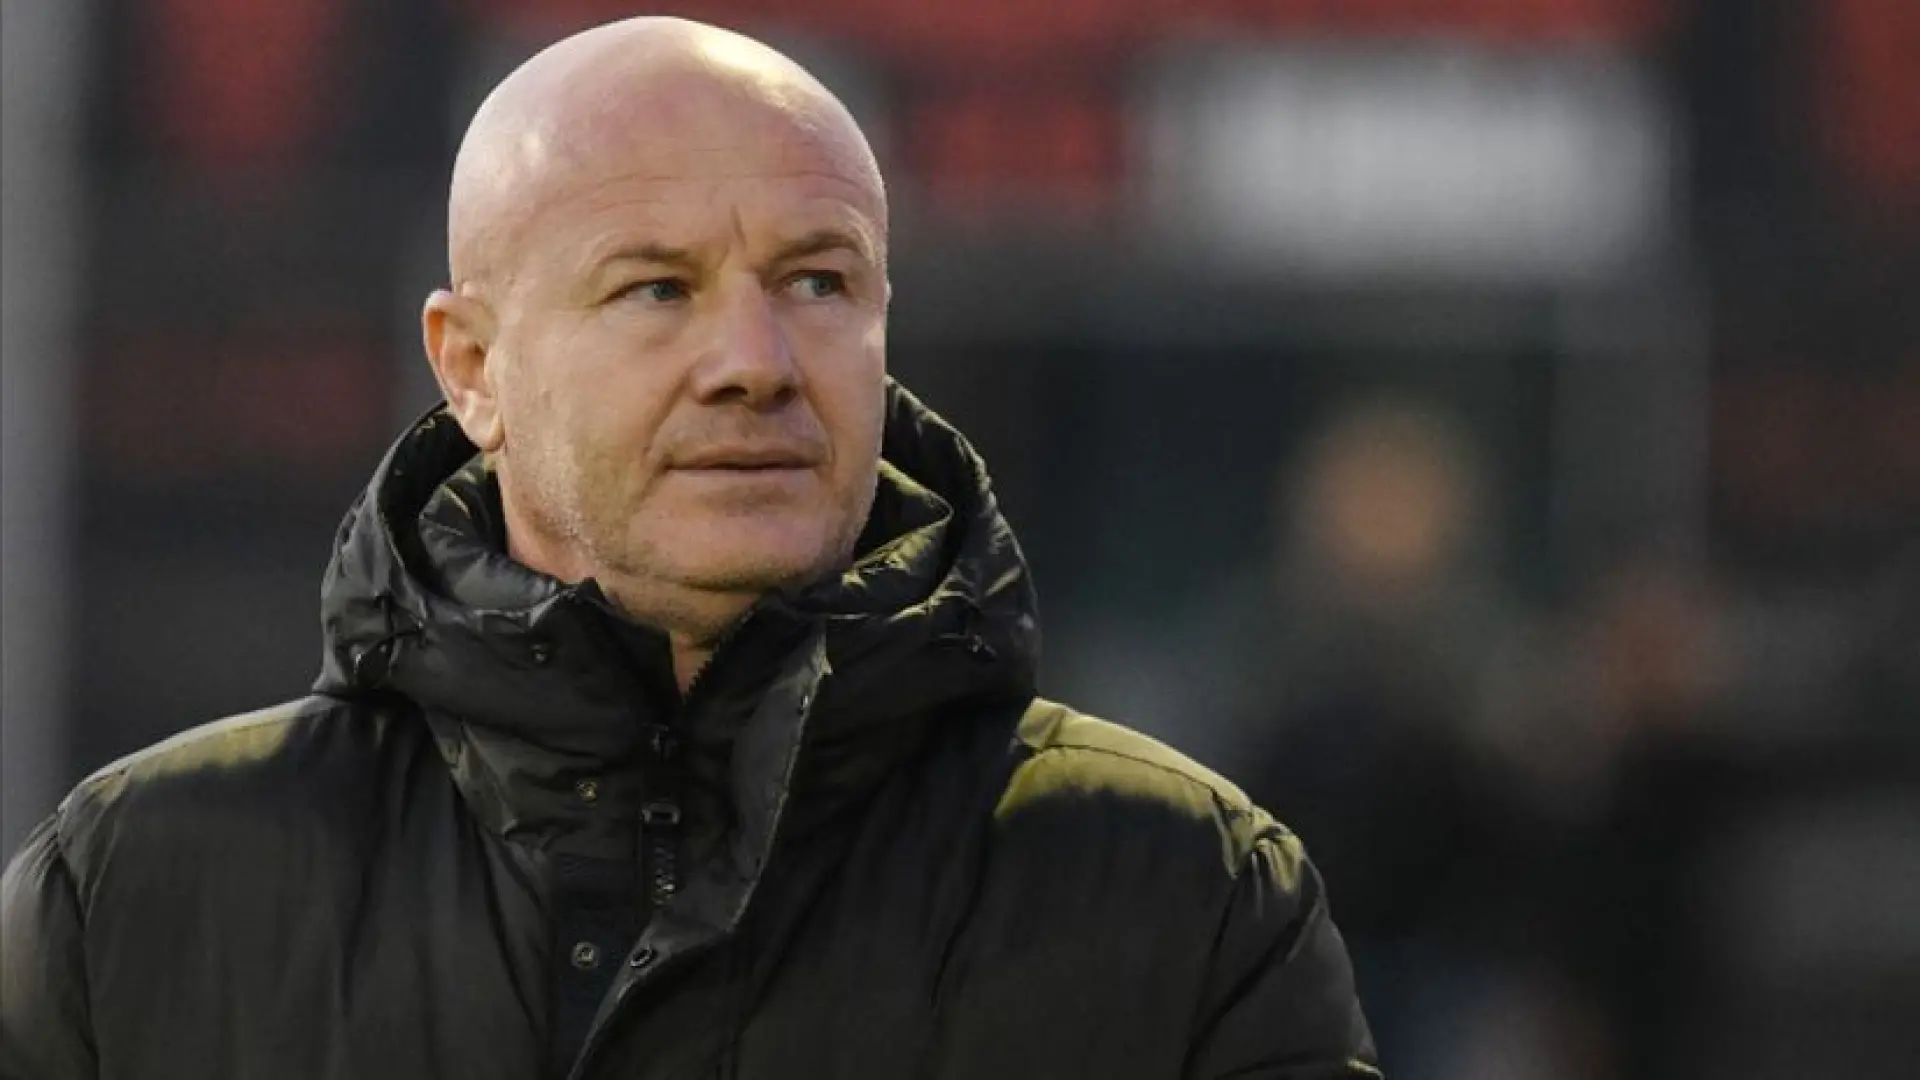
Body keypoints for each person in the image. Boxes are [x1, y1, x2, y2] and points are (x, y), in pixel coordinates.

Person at [0, 17, 1378, 1080]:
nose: (754, 362)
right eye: (656, 288)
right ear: (472, 367)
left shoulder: (1185, 888)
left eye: (818, 281)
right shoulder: (135, 893)